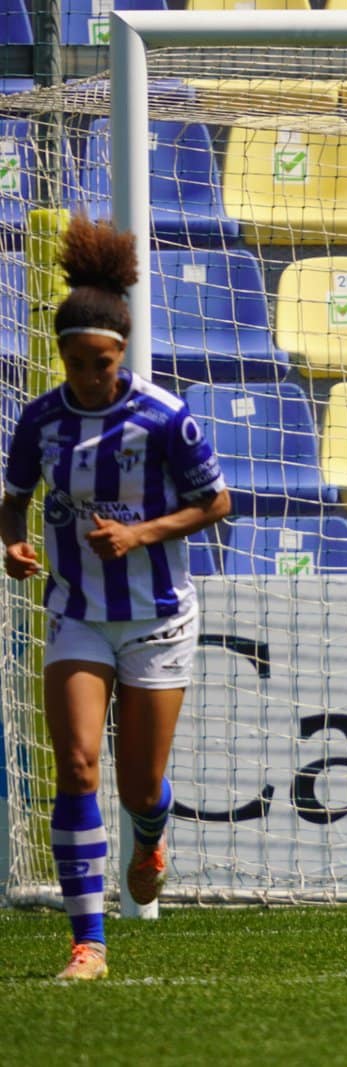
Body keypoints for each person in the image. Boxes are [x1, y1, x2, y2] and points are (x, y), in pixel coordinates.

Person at [1, 217, 231, 981]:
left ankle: (151, 831)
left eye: (101, 361)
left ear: (121, 352)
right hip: (76, 612)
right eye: (76, 362)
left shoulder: (165, 418)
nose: (90, 375)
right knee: (76, 764)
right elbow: (13, 498)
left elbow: (216, 503)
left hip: (158, 617)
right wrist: (12, 542)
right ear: (61, 354)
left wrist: (140, 536)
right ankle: (87, 942)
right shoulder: (39, 419)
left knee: (138, 786)